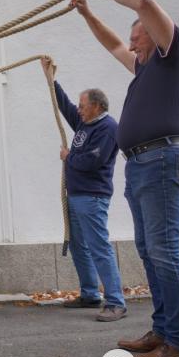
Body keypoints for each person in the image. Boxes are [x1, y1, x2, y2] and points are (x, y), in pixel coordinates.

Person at [71, 0, 179, 357]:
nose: (130, 46)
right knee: (149, 251)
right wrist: (87, 14)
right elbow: (112, 44)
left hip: (162, 159)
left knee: (164, 251)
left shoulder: (173, 54)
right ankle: (163, 331)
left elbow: (145, 1)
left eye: (136, 37)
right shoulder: (145, 67)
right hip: (143, 164)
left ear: (155, 32)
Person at [40, 58, 126, 322]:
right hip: (76, 196)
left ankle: (116, 302)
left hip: (92, 197)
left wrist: (68, 157)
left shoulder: (108, 128)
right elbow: (64, 107)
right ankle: (90, 294)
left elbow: (94, 160)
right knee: (79, 246)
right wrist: (51, 80)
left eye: (83, 105)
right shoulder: (84, 124)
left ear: (97, 106)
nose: (78, 109)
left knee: (98, 247)